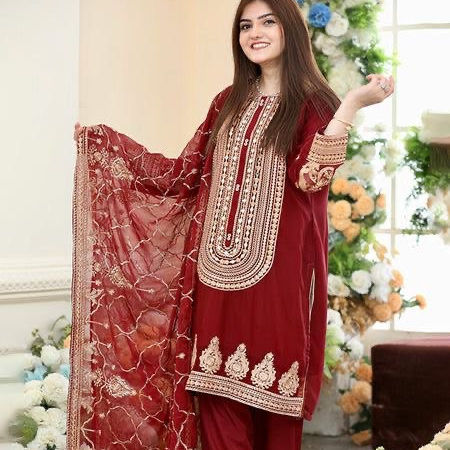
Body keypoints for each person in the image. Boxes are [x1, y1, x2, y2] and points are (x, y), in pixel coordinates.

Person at [70, 1, 394, 449]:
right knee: (217, 408)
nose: (254, 33)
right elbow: (184, 174)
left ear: (290, 30)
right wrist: (107, 146)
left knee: (274, 412)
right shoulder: (227, 102)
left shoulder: (315, 104)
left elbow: (311, 176)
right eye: (245, 25)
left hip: (278, 280)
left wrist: (352, 105)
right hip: (214, 280)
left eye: (267, 22)